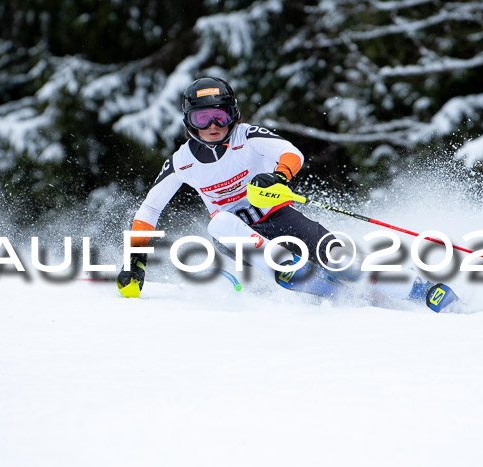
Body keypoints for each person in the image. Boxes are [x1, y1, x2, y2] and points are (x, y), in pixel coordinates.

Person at [117, 77, 458, 312]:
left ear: (232, 113)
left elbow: (291, 153)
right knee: (218, 222)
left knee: (341, 262)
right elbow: (148, 211)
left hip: (279, 215)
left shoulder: (247, 136)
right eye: (202, 118)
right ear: (189, 122)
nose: (212, 125)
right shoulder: (182, 161)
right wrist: (136, 264)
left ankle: (424, 291)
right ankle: (287, 268)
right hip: (240, 233)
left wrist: (277, 176)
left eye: (219, 115)